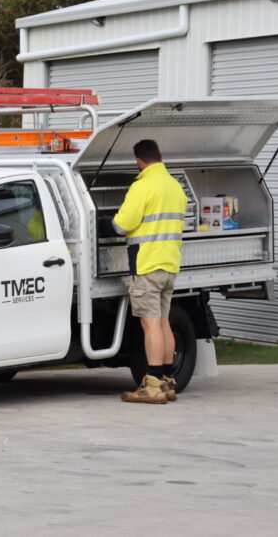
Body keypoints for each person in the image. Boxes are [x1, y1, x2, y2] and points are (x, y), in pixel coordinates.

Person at [100, 139, 187, 404]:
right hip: (169, 263)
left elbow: (121, 226)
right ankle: (167, 381)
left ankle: (151, 384)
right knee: (162, 322)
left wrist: (101, 225)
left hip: (147, 265)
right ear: (160, 156)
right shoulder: (175, 186)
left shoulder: (142, 186)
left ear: (139, 161)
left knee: (149, 324)